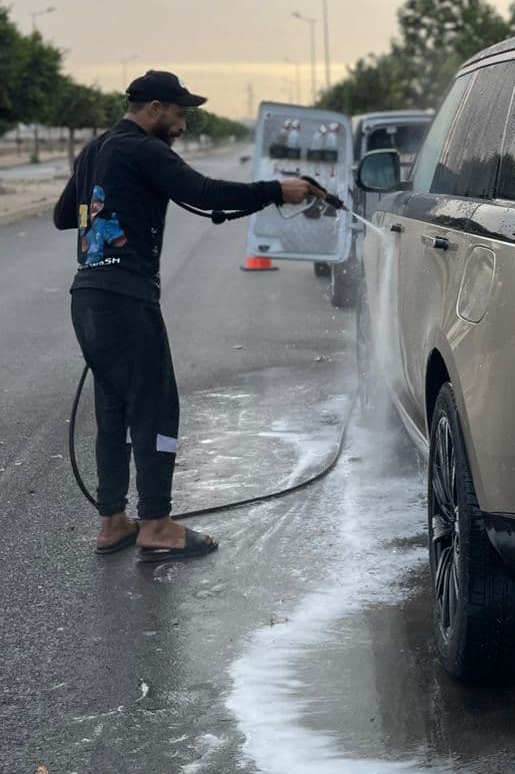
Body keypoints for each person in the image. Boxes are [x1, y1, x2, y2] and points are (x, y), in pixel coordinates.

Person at [53, 70, 318, 562]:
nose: (184, 123)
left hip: (87, 297)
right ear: (153, 108)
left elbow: (65, 216)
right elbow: (207, 193)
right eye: (179, 113)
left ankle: (113, 522)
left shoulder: (95, 150)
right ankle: (155, 524)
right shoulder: (146, 151)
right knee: (155, 408)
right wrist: (276, 191)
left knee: (113, 410)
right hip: (127, 300)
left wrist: (113, 197)